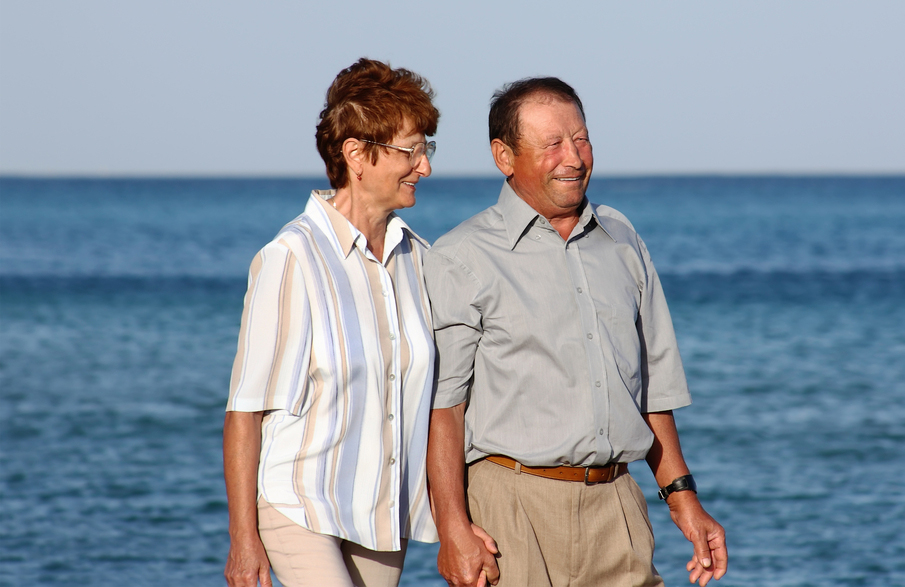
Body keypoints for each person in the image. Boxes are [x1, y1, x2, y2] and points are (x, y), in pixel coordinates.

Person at [424, 77, 728, 587]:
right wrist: (452, 526)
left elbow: (652, 389)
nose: (574, 157)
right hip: (511, 512)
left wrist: (683, 499)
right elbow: (443, 408)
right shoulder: (461, 257)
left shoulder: (623, 241)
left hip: (619, 507)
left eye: (581, 139)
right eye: (552, 145)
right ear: (504, 156)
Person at [223, 58, 440, 587]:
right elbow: (245, 412)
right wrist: (243, 538)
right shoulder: (291, 257)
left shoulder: (420, 259)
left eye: (427, 149)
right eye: (411, 151)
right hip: (300, 505)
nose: (425, 167)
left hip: (384, 514)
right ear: (356, 155)